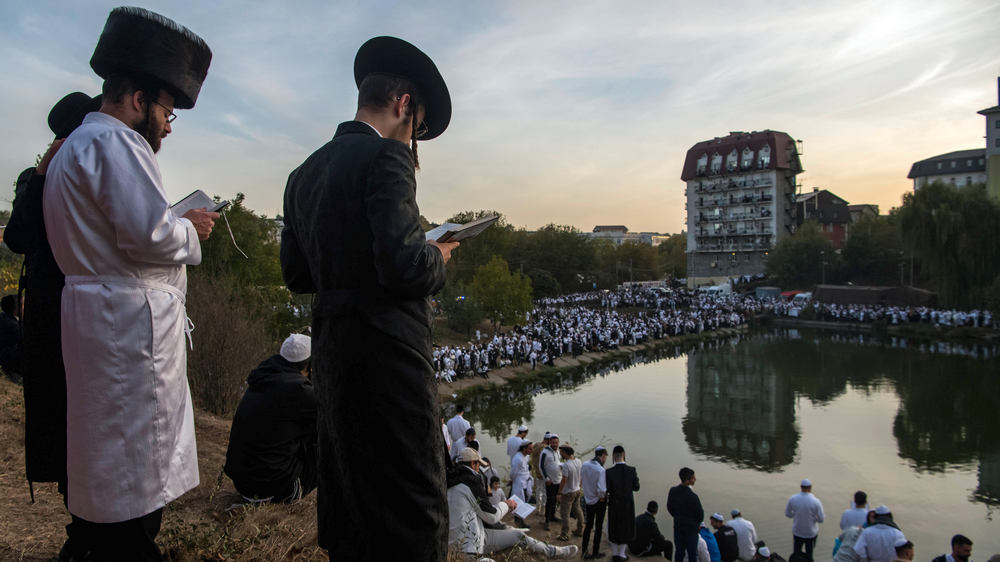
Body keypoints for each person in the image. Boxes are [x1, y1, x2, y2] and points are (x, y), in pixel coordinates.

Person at [42, 7, 215, 560]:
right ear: (138, 99)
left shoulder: (73, 147)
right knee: (134, 470)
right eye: (166, 110)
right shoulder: (118, 144)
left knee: (108, 461)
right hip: (126, 332)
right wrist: (188, 229)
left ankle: (99, 545)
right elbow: (149, 235)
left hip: (98, 317)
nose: (167, 124)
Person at [280, 35, 459, 560]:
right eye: (419, 125)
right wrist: (439, 256)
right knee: (412, 494)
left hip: (334, 350)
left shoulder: (302, 174)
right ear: (404, 104)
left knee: (351, 486)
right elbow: (404, 266)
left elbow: (296, 274)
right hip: (389, 351)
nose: (415, 137)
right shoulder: (388, 157)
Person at [6, 90, 100, 556]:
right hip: (52, 310)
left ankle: (87, 515)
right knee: (61, 411)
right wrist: (42, 173)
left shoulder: (90, 170)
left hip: (82, 307)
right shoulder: (40, 177)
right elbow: (19, 236)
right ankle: (78, 516)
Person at [224, 334, 317, 503]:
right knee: (330, 438)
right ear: (310, 365)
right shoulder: (300, 390)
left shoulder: (263, 377)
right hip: (274, 490)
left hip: (243, 485)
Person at [447, 447, 578, 559]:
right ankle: (552, 552)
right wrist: (507, 504)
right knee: (516, 537)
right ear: (473, 464)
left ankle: (552, 551)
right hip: (468, 547)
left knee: (517, 535)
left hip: (473, 537)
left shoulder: (451, 481)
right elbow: (491, 516)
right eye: (478, 466)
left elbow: (481, 511)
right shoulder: (470, 482)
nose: (478, 470)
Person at [607, 445, 640, 562]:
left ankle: (615, 554)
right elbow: (636, 488)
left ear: (613, 456)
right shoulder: (632, 470)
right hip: (627, 505)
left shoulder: (609, 472)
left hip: (614, 504)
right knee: (626, 528)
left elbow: (607, 489)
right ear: (624, 455)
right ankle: (621, 555)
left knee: (614, 527)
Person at [668, 467, 704, 562]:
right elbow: (700, 515)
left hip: (678, 525)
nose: (695, 479)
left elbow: (669, 507)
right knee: (692, 554)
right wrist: (696, 523)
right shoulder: (693, 497)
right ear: (688, 480)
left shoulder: (673, 491)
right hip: (691, 529)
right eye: (693, 478)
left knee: (679, 551)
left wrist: (677, 516)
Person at [784, 479, 825, 561]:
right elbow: (821, 519)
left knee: (796, 555)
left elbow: (788, 514)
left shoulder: (793, 499)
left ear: (801, 487)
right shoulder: (816, 501)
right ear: (810, 488)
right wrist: (814, 518)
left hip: (798, 531)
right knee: (809, 555)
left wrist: (795, 514)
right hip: (811, 533)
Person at [581, 446, 609, 560]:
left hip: (588, 499)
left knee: (588, 526)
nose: (605, 459)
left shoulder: (585, 464)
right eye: (605, 457)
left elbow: (582, 479)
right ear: (602, 455)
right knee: (598, 527)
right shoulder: (601, 470)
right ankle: (595, 551)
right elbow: (602, 489)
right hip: (598, 501)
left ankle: (584, 550)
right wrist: (602, 498)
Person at [557, 445, 584, 541]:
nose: (560, 454)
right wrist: (579, 486)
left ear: (565, 452)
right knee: (578, 510)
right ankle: (580, 530)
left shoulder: (566, 465)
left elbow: (564, 479)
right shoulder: (579, 461)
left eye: (561, 453)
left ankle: (564, 534)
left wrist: (559, 493)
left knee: (565, 513)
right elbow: (581, 475)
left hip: (568, 492)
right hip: (577, 490)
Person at [541, 433, 563, 530]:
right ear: (550, 442)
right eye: (553, 442)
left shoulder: (558, 452)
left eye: (556, 442)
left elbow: (557, 463)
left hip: (558, 480)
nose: (555, 444)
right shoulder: (545, 452)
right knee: (550, 500)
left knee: (555, 500)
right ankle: (547, 520)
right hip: (550, 481)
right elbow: (541, 466)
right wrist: (546, 478)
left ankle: (553, 516)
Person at [510, 439, 534, 529]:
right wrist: (512, 480)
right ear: (524, 449)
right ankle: (518, 521)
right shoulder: (518, 458)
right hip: (519, 483)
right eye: (530, 449)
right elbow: (513, 473)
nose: (532, 451)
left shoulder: (526, 457)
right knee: (518, 502)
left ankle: (521, 520)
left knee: (524, 502)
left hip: (526, 483)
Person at [0, 295, 20, 379]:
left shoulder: (3, 316)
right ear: (15, 309)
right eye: (22, 305)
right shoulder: (14, 326)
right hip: (7, 360)